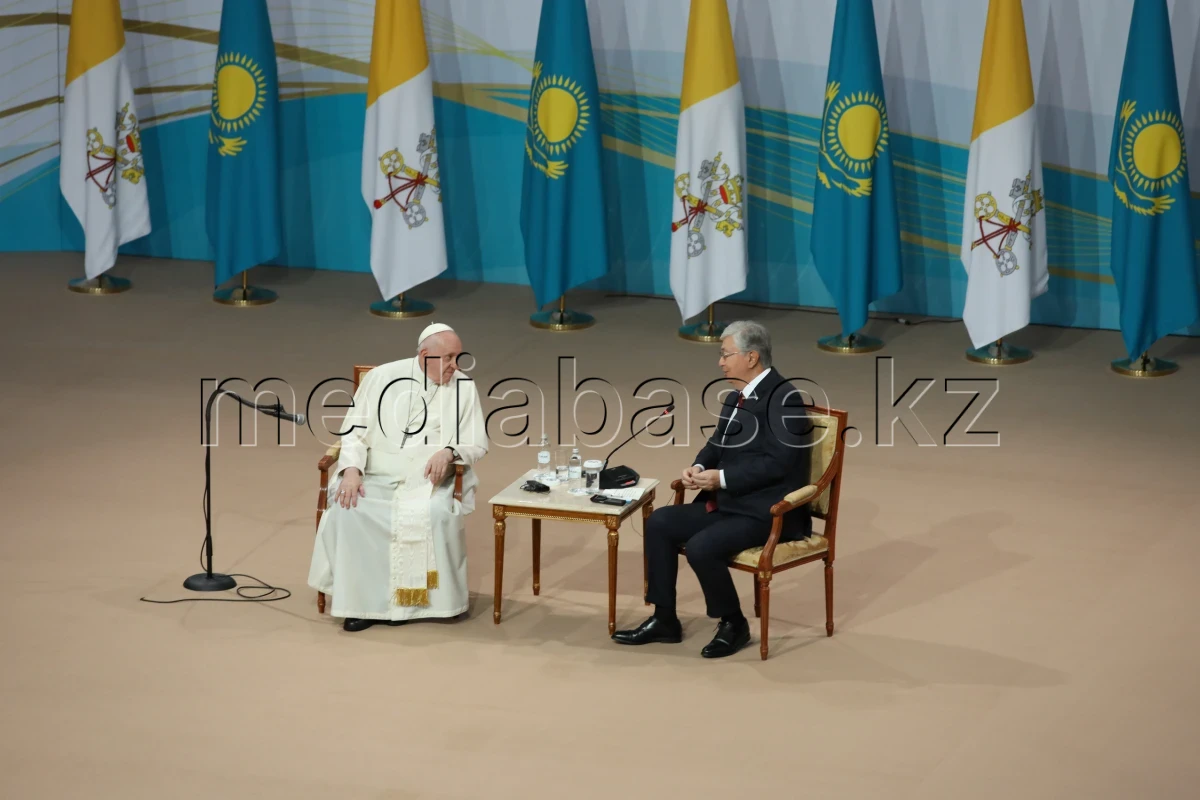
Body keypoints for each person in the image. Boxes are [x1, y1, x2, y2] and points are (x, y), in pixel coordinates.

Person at [612, 320, 813, 657]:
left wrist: (721, 479)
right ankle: (664, 619)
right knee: (660, 522)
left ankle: (734, 623)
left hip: (766, 511)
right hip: (729, 503)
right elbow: (715, 445)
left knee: (702, 546)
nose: (720, 362)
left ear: (751, 357)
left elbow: (778, 462)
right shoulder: (737, 397)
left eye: (725, 354)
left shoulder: (784, 399)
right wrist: (700, 467)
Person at [308, 323, 488, 632]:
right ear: (424, 354)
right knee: (352, 509)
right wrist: (351, 470)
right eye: (447, 358)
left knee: (433, 513)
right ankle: (362, 606)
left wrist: (448, 452)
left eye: (458, 357)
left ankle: (421, 606)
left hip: (428, 481)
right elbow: (353, 431)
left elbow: (476, 441)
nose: (454, 366)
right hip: (375, 475)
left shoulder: (463, 386)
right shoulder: (382, 378)